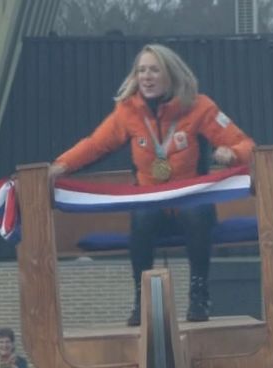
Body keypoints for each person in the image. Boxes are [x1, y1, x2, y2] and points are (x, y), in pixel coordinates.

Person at [49, 43, 256, 325]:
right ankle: (141, 300)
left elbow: (245, 144)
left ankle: (199, 295)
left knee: (196, 212)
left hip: (192, 203)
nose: (146, 76)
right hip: (150, 205)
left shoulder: (200, 107)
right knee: (142, 215)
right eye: (141, 70)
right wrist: (60, 166)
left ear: (170, 74)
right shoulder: (127, 111)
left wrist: (232, 154)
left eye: (154, 70)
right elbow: (95, 145)